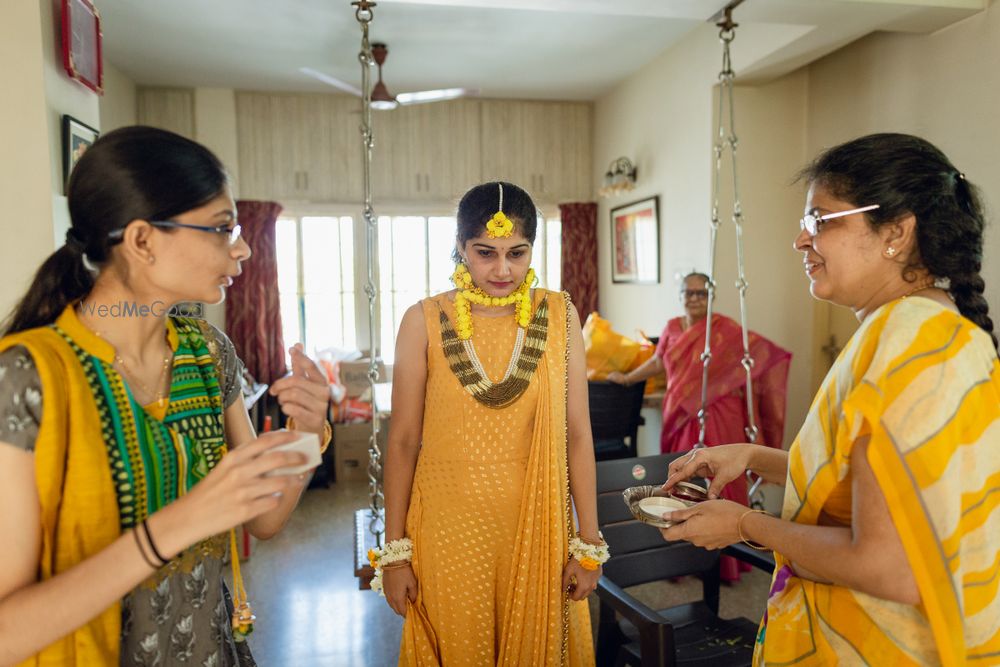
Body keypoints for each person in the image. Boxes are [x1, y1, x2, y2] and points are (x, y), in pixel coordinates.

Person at [660, 133, 1000, 665]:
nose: (800, 239)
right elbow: (865, 489)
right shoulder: (911, 330)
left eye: (821, 220)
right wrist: (752, 457)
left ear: (896, 232)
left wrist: (744, 524)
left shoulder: (912, 344)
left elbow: (890, 566)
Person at [0, 126, 332, 666]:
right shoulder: (28, 377)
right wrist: (179, 523)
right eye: (222, 228)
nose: (242, 248)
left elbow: (264, 521)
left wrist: (306, 432)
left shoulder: (208, 353)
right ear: (142, 241)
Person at [378, 182, 603, 666]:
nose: (502, 269)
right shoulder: (423, 319)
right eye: (485, 253)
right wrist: (395, 554)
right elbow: (401, 443)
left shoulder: (559, 315)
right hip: (448, 532)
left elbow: (578, 435)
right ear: (460, 248)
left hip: (537, 525)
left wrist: (590, 542)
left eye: (516, 253)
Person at [608, 271, 791, 582]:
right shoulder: (670, 328)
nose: (694, 299)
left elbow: (762, 356)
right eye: (688, 293)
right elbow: (658, 363)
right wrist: (626, 378)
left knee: (723, 483)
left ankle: (728, 562)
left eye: (701, 294)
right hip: (678, 414)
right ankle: (680, 556)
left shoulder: (727, 330)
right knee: (677, 482)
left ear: (710, 297)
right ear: (680, 295)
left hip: (720, 415)